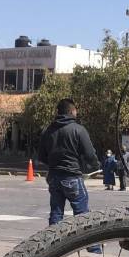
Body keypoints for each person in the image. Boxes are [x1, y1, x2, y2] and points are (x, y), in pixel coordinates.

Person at [37, 98, 100, 236]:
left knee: (56, 213)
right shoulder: (78, 130)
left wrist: (54, 164)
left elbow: (41, 156)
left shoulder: (48, 131)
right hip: (72, 177)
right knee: (82, 214)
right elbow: (90, 154)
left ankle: (51, 245)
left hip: (53, 177)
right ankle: (92, 248)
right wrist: (96, 165)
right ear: (72, 111)